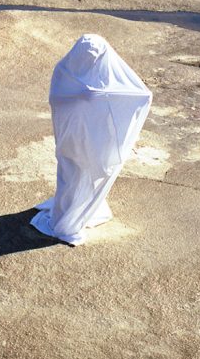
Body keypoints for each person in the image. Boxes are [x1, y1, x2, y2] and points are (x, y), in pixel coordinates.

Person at [30, 34, 153, 245]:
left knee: (77, 174)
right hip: (79, 137)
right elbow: (59, 100)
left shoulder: (69, 71)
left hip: (83, 137)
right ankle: (67, 221)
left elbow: (139, 95)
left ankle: (76, 211)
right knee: (75, 174)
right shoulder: (75, 74)